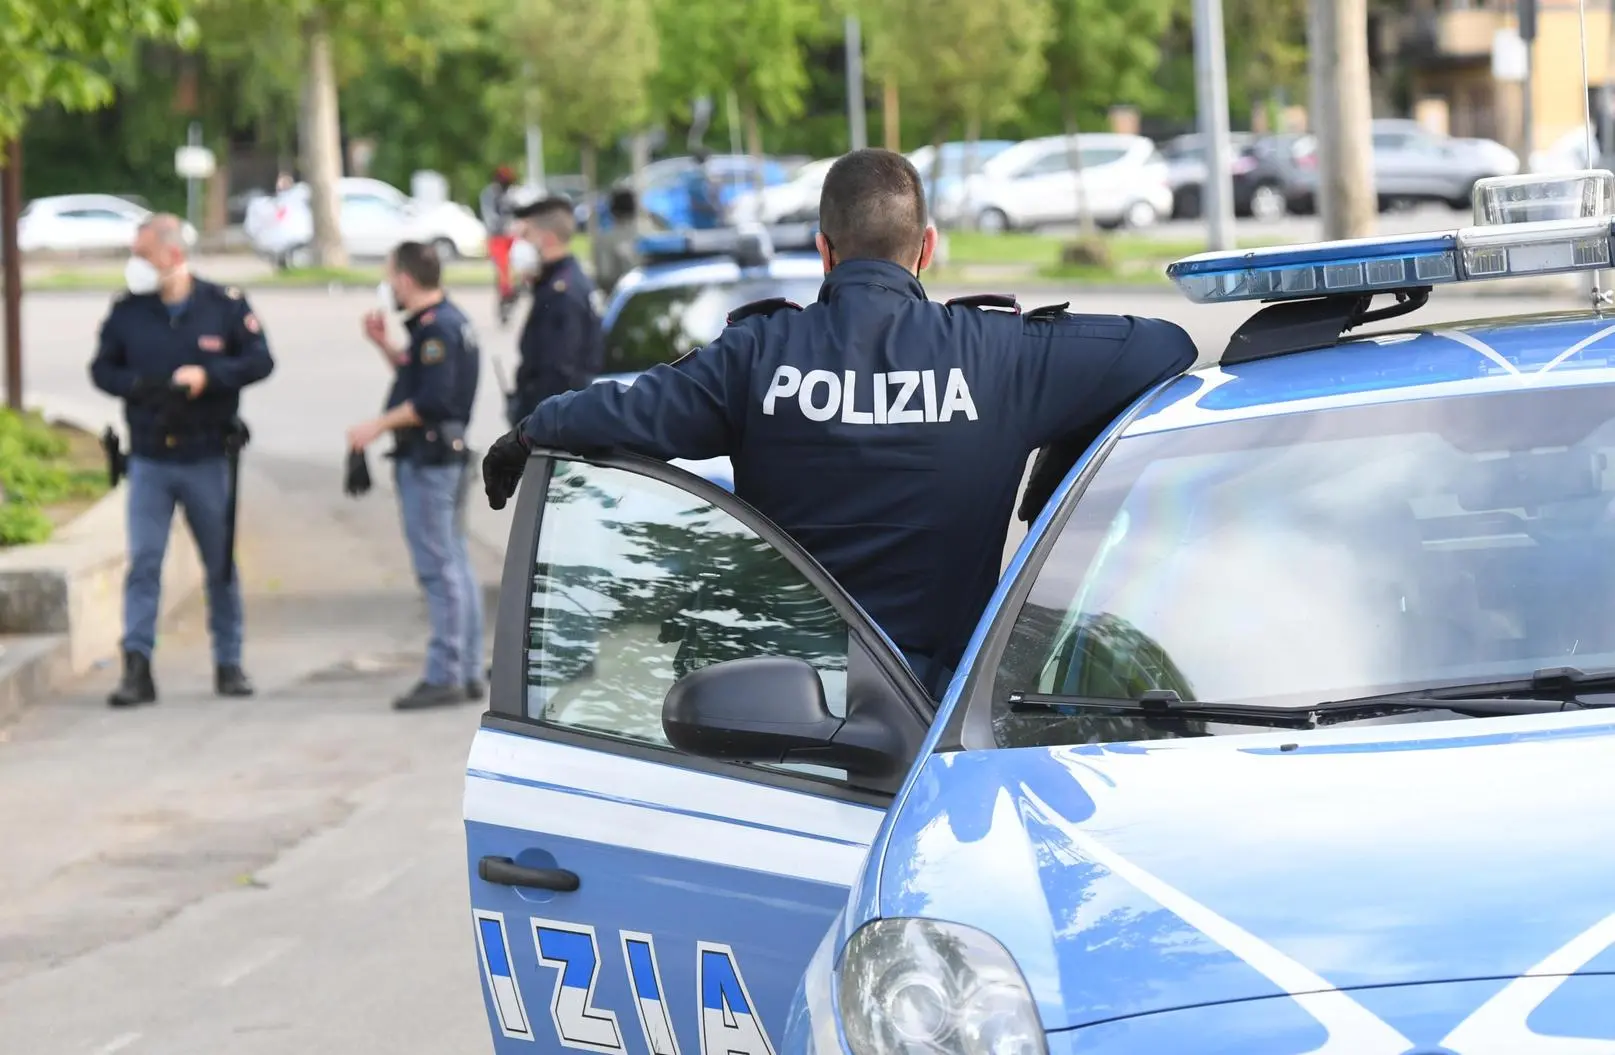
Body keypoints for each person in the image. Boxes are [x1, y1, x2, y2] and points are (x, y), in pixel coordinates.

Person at [481, 149, 1198, 696]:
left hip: (783, 714)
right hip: (939, 720)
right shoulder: (997, 355)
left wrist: (529, 432)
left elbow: (621, 413)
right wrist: (1055, 448)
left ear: (823, 251)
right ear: (927, 247)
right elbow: (1165, 346)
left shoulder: (756, 356)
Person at [89, 214, 275, 707]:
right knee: (145, 562)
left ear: (173, 255)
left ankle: (229, 663)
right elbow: (102, 368)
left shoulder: (223, 306)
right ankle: (136, 666)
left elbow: (260, 360)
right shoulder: (130, 312)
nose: (136, 265)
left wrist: (209, 377)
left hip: (206, 454)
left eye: (143, 255)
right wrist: (139, 386)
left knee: (220, 565)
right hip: (150, 455)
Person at [348, 241, 486, 710]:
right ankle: (465, 669)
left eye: (390, 275)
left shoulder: (439, 330)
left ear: (406, 279)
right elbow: (419, 378)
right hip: (442, 459)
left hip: (430, 463)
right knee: (454, 563)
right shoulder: (442, 323)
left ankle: (446, 671)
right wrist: (384, 344)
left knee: (439, 569)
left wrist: (376, 426)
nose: (388, 285)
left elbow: (433, 402)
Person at [505, 196, 602, 427]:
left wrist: (532, 428)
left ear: (547, 240)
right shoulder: (557, 283)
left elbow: (558, 377)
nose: (519, 245)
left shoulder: (563, 294)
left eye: (525, 235)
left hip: (554, 427)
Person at [480, 166, 519, 325]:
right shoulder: (490, 194)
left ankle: (511, 294)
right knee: (502, 271)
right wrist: (503, 225)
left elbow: (517, 211)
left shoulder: (511, 194)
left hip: (511, 237)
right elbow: (489, 216)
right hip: (497, 238)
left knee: (516, 269)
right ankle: (505, 300)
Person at [592, 187, 642, 297]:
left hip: (620, 300)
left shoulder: (604, 240)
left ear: (612, 211)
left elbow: (604, 275)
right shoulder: (651, 235)